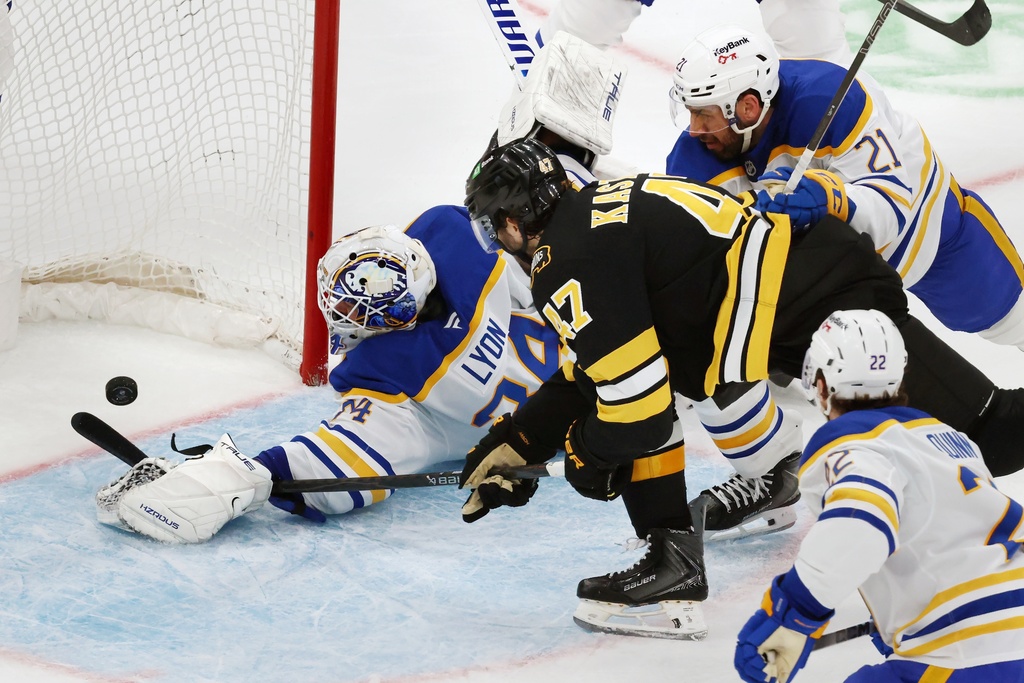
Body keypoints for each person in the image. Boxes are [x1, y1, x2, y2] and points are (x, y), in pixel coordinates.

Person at [459, 137, 1024, 640]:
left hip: (824, 305)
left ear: (515, 218)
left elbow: (638, 413)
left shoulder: (565, 259)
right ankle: (673, 559)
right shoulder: (590, 217)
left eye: (491, 228)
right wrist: (521, 439)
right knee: (641, 386)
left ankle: (693, 542)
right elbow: (603, 370)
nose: (497, 242)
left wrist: (586, 453)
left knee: (988, 437)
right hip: (797, 294)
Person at [95, 207, 562, 543]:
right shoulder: (456, 241)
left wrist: (228, 479)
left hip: (553, 422)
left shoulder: (388, 382)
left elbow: (334, 468)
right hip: (589, 362)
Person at [735, 309, 1024, 683]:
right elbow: (955, 539)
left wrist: (792, 615)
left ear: (819, 384)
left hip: (972, 652)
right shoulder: (949, 440)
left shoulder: (855, 447)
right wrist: (899, 610)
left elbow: (860, 525)